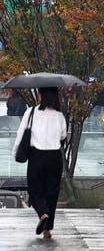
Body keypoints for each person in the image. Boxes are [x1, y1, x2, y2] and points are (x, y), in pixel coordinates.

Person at [14, 88, 66, 239]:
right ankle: (47, 230)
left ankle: (43, 213)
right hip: (54, 157)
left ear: (41, 96)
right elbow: (63, 135)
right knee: (52, 192)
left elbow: (21, 133)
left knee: (35, 190)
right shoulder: (59, 115)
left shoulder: (31, 112)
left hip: (36, 156)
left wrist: (16, 152)